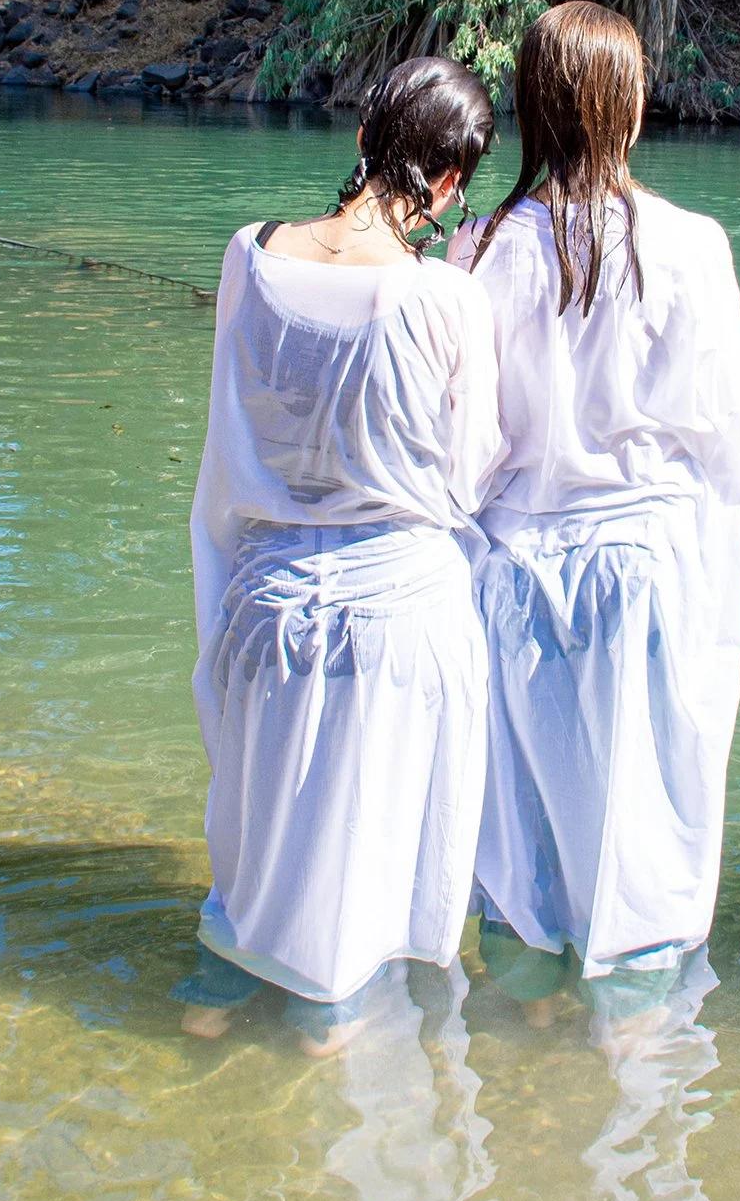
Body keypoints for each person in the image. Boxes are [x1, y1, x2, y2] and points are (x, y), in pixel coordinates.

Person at [449, 0, 740, 1029]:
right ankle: (637, 1055)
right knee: (644, 828)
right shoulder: (687, 244)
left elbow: (464, 452)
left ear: (533, 107)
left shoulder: (476, 249)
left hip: (513, 573)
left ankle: (520, 1036)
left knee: (521, 835)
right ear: (624, 107)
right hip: (647, 568)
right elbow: (736, 451)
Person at [178, 56, 502, 1054]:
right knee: (366, 852)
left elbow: (231, 431)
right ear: (448, 182)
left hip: (266, 603)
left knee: (258, 836)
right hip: (401, 613)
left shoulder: (249, 252)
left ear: (362, 138)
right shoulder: (445, 297)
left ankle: (218, 990)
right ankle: (329, 1017)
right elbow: (470, 473)